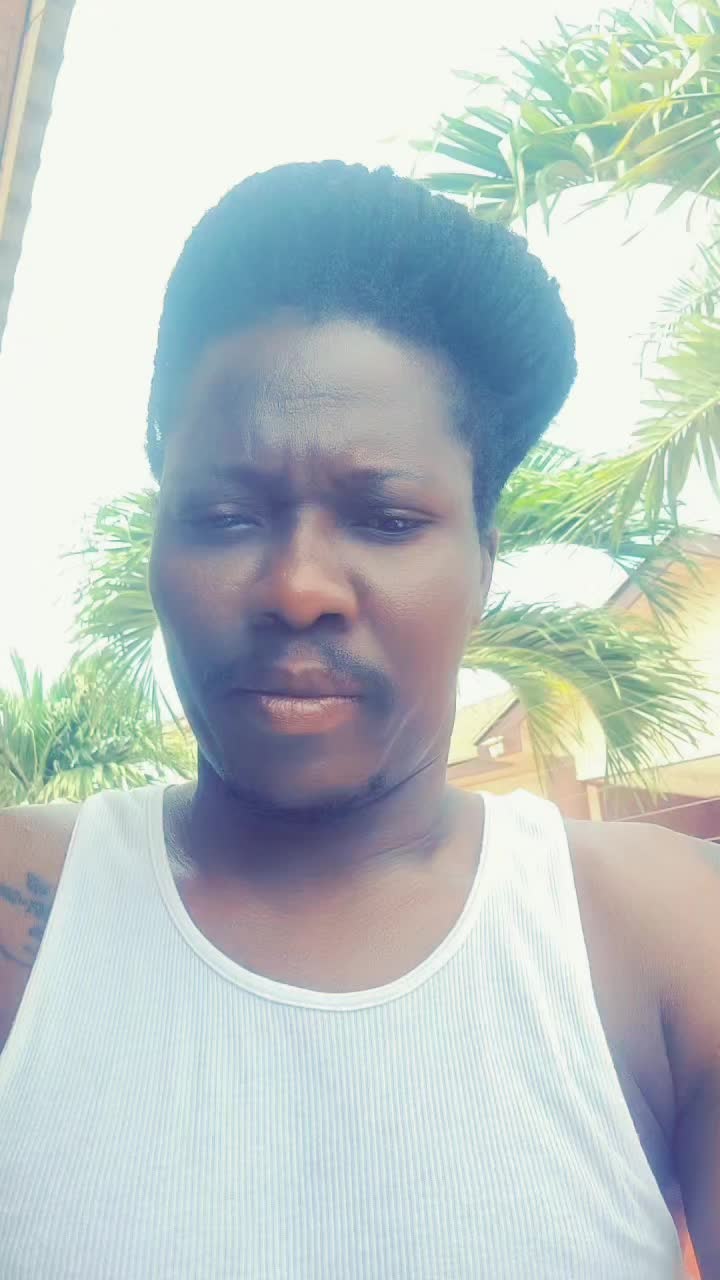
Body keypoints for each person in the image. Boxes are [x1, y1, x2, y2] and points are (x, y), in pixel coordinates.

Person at [0, 161, 716, 1279]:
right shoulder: (23, 915)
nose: (297, 588)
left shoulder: (660, 933)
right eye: (224, 514)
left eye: (385, 517)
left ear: (483, 562)